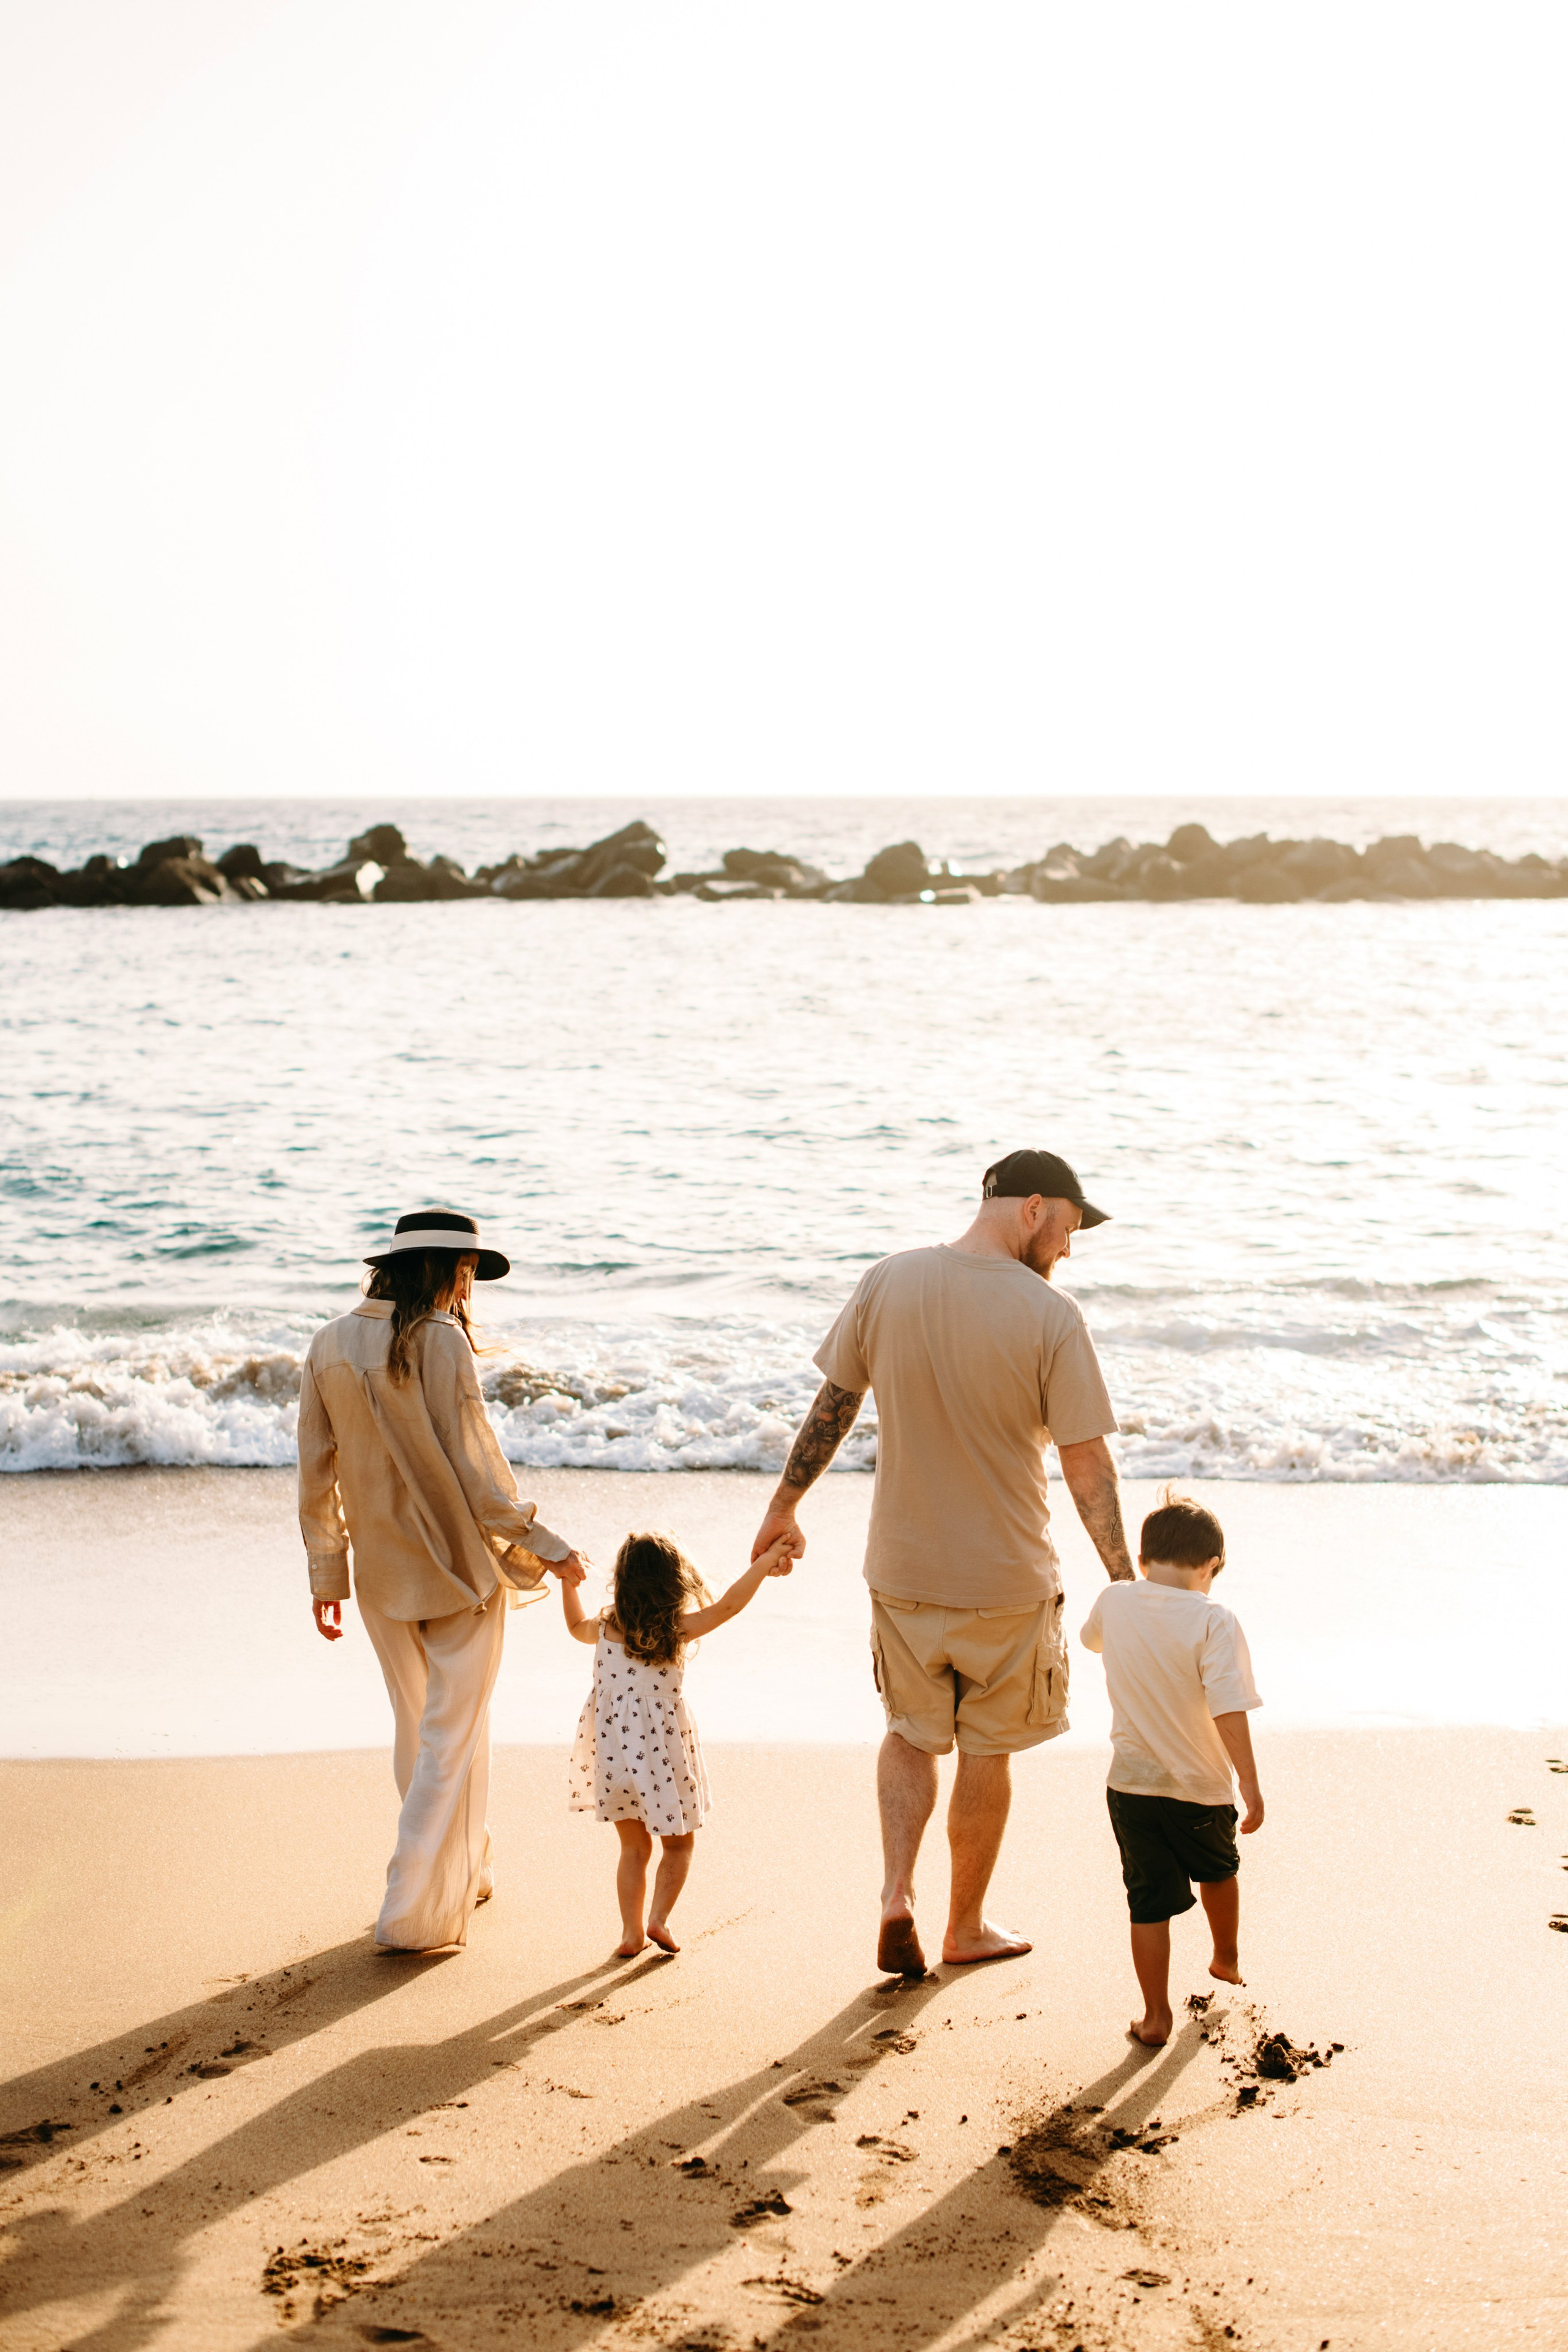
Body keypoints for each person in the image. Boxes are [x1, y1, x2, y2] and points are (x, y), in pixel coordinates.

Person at [751, 1147, 1134, 1978]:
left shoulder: (889, 1279)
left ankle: (896, 1894)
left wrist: (784, 1506)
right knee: (985, 1749)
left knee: (909, 1734)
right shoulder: (1050, 1316)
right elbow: (1087, 1465)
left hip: (903, 1570)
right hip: (1007, 1582)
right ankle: (965, 1925)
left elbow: (835, 1406)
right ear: (1034, 1208)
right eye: (1069, 1227)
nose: (1069, 1249)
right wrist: (1125, 1579)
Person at [298, 1207, 587, 1954]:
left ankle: (469, 1867)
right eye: (467, 1273)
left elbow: (314, 1476)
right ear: (447, 1270)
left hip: (377, 1574)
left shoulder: (327, 1342)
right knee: (452, 1736)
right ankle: (411, 1908)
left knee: (418, 1726)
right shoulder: (440, 1340)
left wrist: (327, 1573)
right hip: (455, 1570)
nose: (469, 1288)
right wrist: (548, 1546)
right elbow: (479, 1472)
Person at [1080, 1491, 1264, 2048]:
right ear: (1212, 1566)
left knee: (1148, 1901)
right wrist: (1250, 1786)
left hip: (1130, 1786)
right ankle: (1225, 1956)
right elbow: (1226, 1705)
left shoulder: (1115, 1601)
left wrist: (1125, 1595)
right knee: (1219, 1870)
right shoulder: (1214, 1618)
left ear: (1142, 1561)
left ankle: (1156, 2017)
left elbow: (1091, 1641)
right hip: (1201, 1788)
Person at [564, 1529, 796, 1956]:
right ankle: (659, 1919)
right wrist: (763, 1566)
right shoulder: (674, 1629)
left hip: (613, 1756)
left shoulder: (605, 1625)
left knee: (633, 1847)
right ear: (674, 1583)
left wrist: (567, 1582)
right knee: (679, 1843)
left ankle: (631, 1934)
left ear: (623, 1580)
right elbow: (728, 1606)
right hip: (662, 1757)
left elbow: (575, 1626)